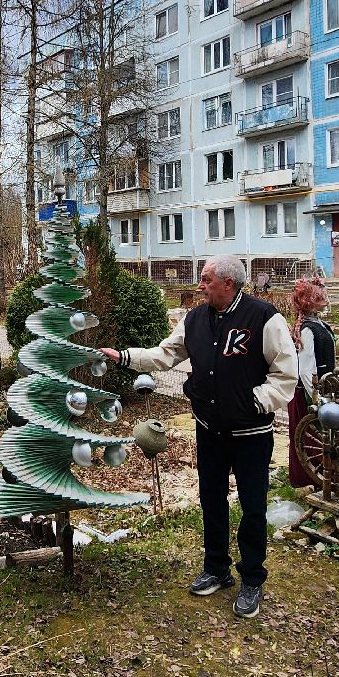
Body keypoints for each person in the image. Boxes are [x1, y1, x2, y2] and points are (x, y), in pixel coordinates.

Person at [99, 255, 298, 619]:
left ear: (228, 283)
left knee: (253, 507)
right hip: (210, 430)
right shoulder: (194, 319)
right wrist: (125, 357)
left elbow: (285, 374)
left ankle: (252, 578)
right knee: (211, 500)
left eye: (206, 280)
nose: (200, 286)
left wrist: (254, 402)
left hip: (251, 434)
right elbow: (165, 354)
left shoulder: (264, 318)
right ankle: (217, 569)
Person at [286, 277, 336, 489]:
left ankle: (325, 474)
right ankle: (307, 479)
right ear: (310, 301)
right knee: (308, 436)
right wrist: (316, 398)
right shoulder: (307, 329)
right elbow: (305, 369)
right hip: (306, 394)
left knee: (320, 435)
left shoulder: (319, 324)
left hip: (323, 388)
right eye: (321, 296)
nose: (326, 300)